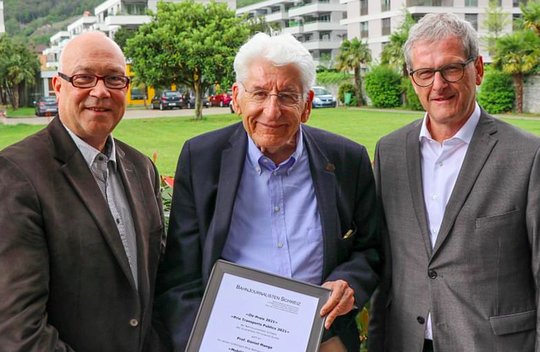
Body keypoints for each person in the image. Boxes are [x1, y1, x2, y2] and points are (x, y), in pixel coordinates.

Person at [154, 33, 380, 352]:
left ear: (307, 105)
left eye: (287, 96)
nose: (271, 112)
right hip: (230, 342)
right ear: (237, 97)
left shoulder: (346, 160)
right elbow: (181, 279)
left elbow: (370, 249)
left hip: (321, 340)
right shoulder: (201, 159)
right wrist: (201, 344)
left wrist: (350, 283)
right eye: (259, 93)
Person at [368, 13, 540, 352]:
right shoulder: (389, 153)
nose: (438, 84)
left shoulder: (528, 156)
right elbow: (385, 266)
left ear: (477, 70)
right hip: (406, 342)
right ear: (412, 79)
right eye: (425, 73)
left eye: (451, 68)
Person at [0, 32, 167, 352]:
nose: (101, 91)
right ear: (58, 86)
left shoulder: (141, 168)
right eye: (84, 77)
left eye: (115, 79)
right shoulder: (16, 175)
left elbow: (157, 286)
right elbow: (18, 328)